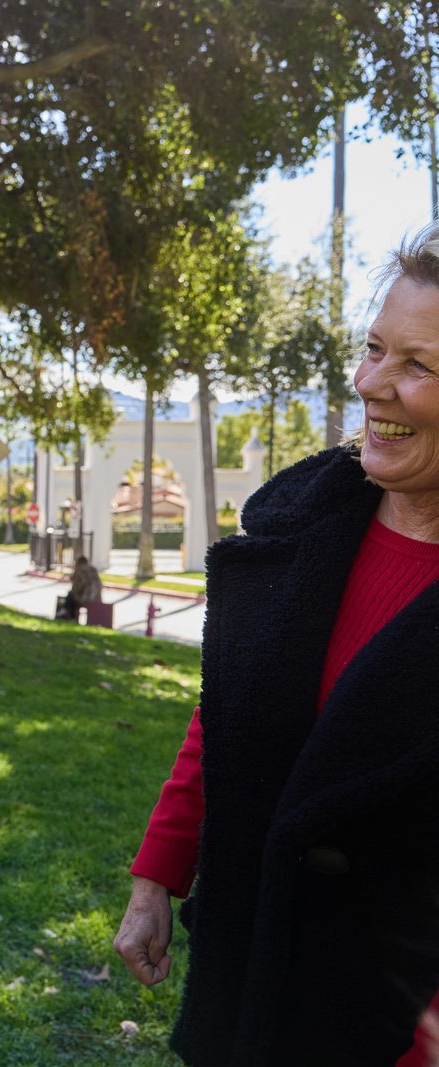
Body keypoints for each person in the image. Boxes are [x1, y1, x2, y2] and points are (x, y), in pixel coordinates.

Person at [114, 222, 439, 1065]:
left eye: (419, 366)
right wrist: (160, 873)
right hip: (249, 979)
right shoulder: (305, 527)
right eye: (374, 349)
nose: (374, 384)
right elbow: (230, 710)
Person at [62, 554, 102, 621]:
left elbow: (75, 588)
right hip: (97, 598)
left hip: (85, 598)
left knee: (70, 595)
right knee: (72, 596)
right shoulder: (93, 570)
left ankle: (70, 617)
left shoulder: (80, 571)